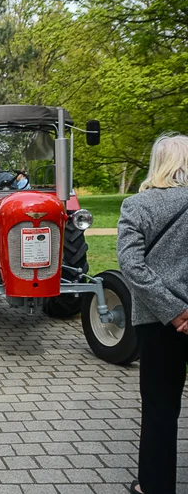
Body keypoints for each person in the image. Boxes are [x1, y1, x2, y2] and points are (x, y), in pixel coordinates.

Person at [117, 134, 188, 494]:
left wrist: (174, 312)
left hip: (160, 323)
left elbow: (130, 264)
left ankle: (155, 486)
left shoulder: (137, 206)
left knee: (160, 407)